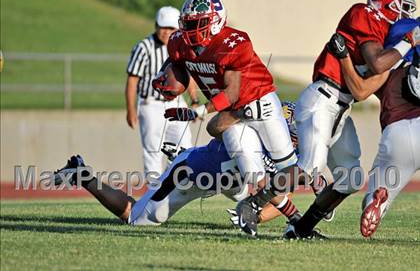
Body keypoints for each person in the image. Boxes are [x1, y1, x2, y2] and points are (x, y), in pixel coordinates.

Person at [236, 0, 417, 239]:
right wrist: (408, 41)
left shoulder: (391, 48)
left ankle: (301, 228)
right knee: (310, 167)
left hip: (342, 107)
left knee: (351, 178)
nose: (405, 17)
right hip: (323, 97)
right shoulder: (364, 13)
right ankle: (252, 204)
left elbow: (363, 90)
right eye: (402, 9)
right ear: (385, 5)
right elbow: (376, 63)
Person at [152, 0, 300, 216]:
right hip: (233, 111)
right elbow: (176, 60)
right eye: (188, 24)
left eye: (198, 23)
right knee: (218, 132)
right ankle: (286, 212)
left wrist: (198, 111)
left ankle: (305, 198)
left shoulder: (232, 43)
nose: (192, 30)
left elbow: (231, 94)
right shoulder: (178, 42)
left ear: (215, 21)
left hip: (255, 101)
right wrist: (167, 73)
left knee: (287, 167)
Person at [52, 103, 304, 226]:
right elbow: (216, 127)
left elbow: (282, 190)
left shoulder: (283, 152)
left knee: (248, 191)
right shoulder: (246, 135)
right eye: (290, 135)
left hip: (227, 182)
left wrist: (255, 218)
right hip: (191, 178)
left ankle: (189, 157)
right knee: (136, 218)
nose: (292, 142)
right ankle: (82, 175)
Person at [328, 18, 419, 238]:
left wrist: (344, 58)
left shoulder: (384, 69)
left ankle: (378, 198)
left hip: (397, 133)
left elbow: (360, 91)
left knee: (379, 189)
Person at [125, 6, 197, 179]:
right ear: (156, 26)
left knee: (184, 147)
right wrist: (131, 109)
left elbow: (189, 75)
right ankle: (154, 191)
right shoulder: (144, 47)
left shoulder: (182, 46)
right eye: (162, 27)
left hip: (177, 102)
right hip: (151, 103)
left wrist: (194, 99)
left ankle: (174, 185)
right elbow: (132, 80)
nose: (165, 32)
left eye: (170, 28)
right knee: (153, 150)